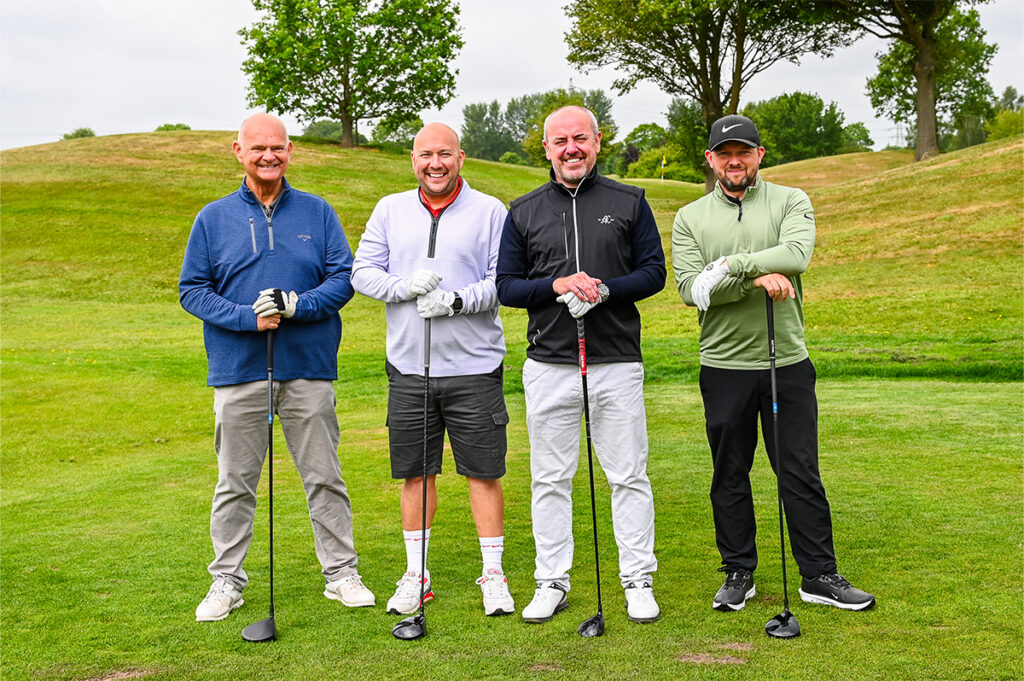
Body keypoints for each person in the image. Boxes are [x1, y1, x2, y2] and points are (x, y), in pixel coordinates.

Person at [671, 114, 875, 613]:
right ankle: (738, 570)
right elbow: (690, 291)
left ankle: (818, 574)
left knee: (800, 470)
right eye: (725, 153)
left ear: (760, 155)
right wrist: (761, 275)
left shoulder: (791, 200)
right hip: (723, 364)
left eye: (743, 152)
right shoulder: (690, 217)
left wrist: (735, 268)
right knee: (730, 472)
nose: (734, 161)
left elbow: (797, 255)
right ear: (711, 159)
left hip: (787, 361)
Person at [180, 113, 375, 622]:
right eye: (258, 148)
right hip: (239, 371)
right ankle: (226, 581)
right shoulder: (213, 217)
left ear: (290, 151)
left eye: (278, 148)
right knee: (235, 482)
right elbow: (192, 291)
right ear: (238, 152)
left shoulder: (317, 212)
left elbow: (343, 279)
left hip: (308, 367)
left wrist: (297, 307)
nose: (269, 156)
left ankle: (341, 574)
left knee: (324, 476)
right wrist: (249, 318)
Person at [496, 105, 665, 624]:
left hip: (615, 360)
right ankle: (551, 580)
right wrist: (558, 286)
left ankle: (637, 579)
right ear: (546, 148)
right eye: (560, 140)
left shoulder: (629, 201)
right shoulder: (523, 210)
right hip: (549, 363)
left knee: (628, 474)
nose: (571, 148)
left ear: (597, 142)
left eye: (580, 139)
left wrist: (604, 290)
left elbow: (654, 273)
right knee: (550, 478)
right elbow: (507, 287)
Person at [351, 122, 515, 617]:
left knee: (483, 474)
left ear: (461, 157)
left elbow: (502, 281)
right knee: (416, 474)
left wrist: (457, 301)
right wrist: (402, 288)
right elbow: (361, 271)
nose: (435, 163)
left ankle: (493, 574)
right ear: (413, 158)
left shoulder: (490, 211)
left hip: (474, 367)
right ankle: (416, 574)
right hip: (408, 368)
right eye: (426, 155)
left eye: (444, 154)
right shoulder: (389, 209)